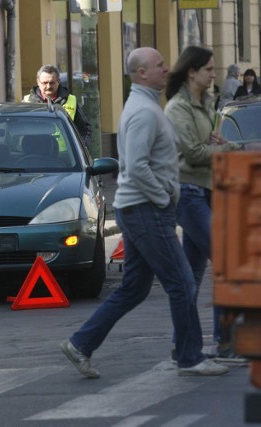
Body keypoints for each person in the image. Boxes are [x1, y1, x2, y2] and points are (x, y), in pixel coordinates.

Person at [59, 47, 229, 378]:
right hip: (146, 210)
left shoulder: (149, 108)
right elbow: (135, 167)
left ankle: (81, 344)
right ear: (141, 74)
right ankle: (190, 356)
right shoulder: (142, 112)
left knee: (135, 288)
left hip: (142, 209)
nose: (166, 69)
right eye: (159, 65)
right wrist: (164, 196)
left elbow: (155, 157)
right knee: (182, 283)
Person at [163, 46, 244, 362]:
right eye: (209, 69)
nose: (214, 74)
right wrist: (232, 149)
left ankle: (180, 342)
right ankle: (224, 343)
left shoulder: (205, 104)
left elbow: (206, 146)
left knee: (190, 278)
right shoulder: (177, 108)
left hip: (206, 191)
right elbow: (194, 154)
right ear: (191, 72)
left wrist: (218, 145)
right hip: (188, 193)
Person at [23, 65, 92, 146]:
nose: (48, 86)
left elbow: (85, 129)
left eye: (52, 83)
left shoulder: (70, 100)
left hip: (66, 156)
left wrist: (81, 147)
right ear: (38, 82)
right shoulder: (27, 102)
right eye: (45, 83)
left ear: (58, 81)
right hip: (33, 153)